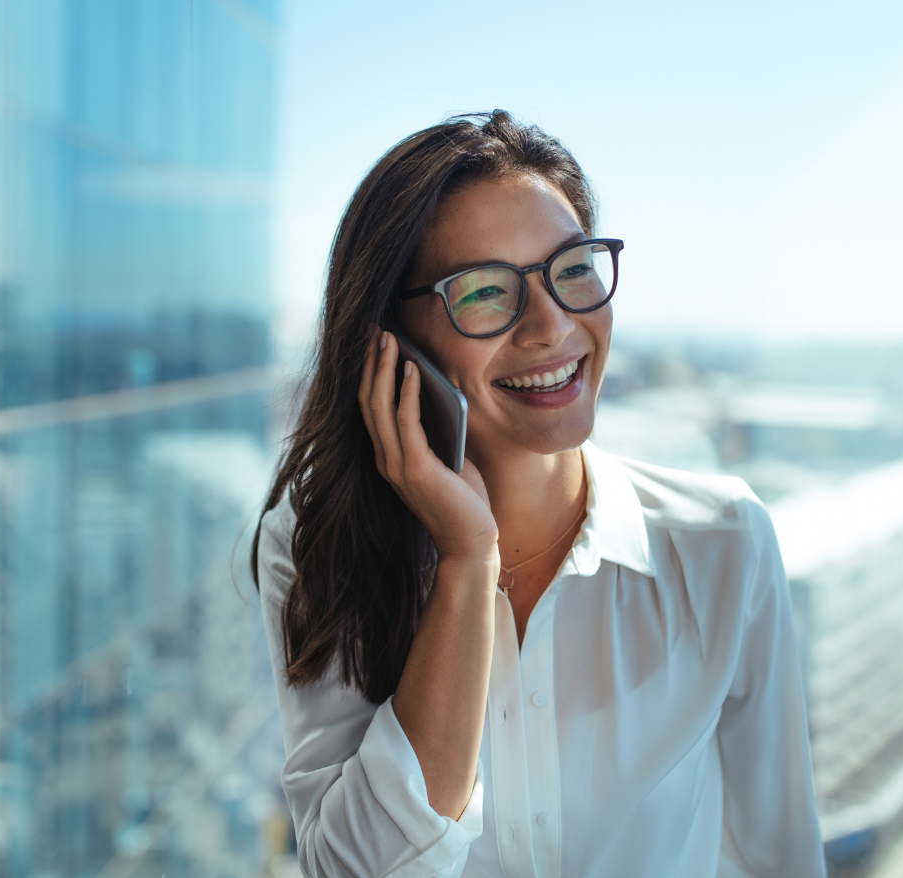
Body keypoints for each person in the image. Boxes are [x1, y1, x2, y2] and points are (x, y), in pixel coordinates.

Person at [251, 111, 826, 878]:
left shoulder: (722, 542)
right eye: (486, 290)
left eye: (574, 268)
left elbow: (779, 860)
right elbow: (352, 869)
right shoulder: (319, 550)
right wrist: (466, 561)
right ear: (389, 341)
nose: (553, 325)